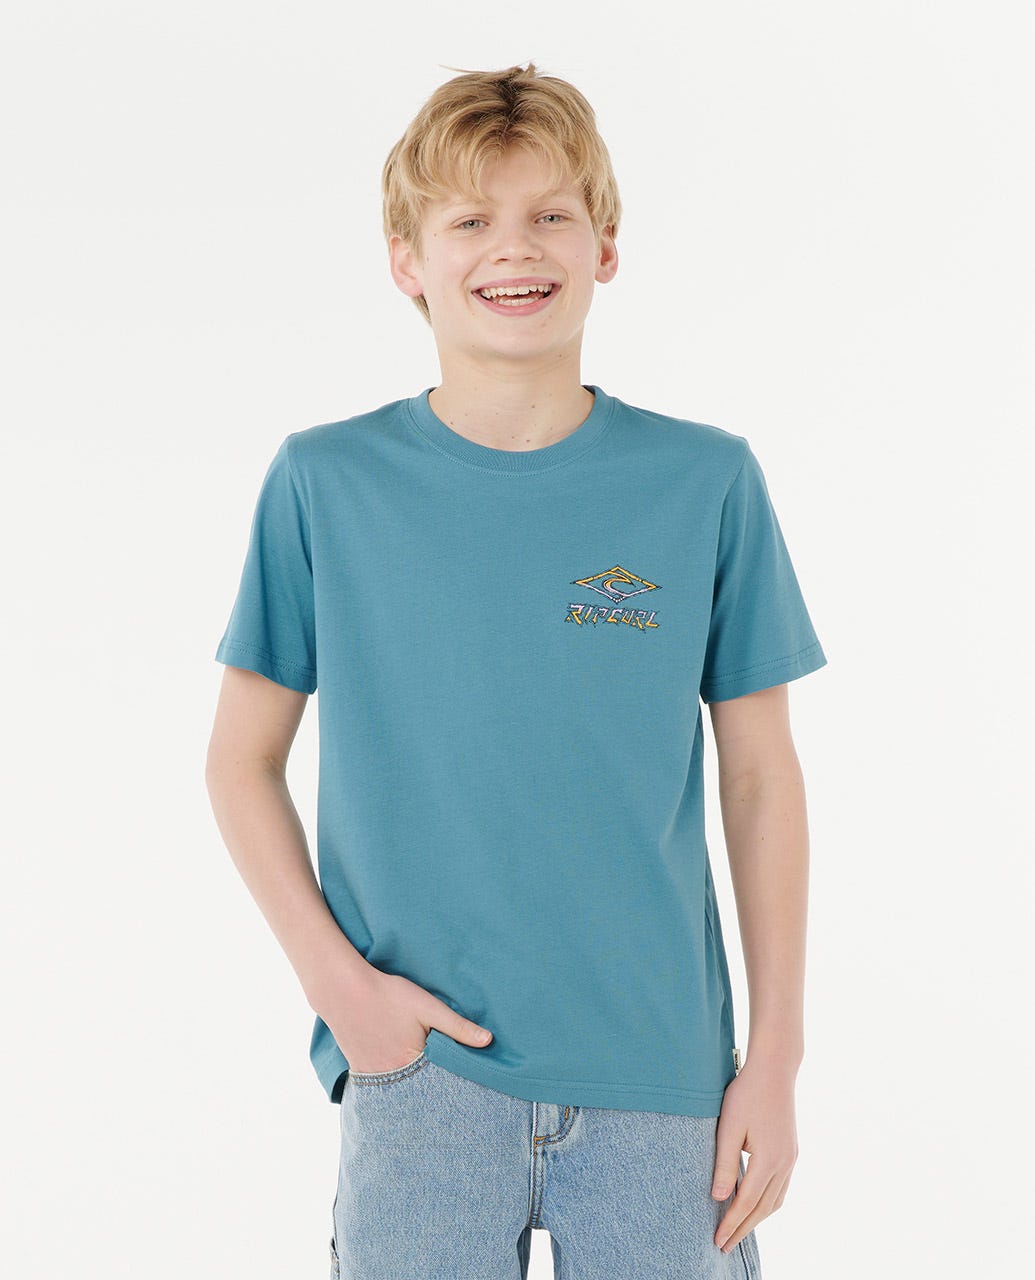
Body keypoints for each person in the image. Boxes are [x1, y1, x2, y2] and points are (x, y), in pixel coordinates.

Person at [206, 60, 827, 1280]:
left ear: (606, 246)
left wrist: (777, 1057)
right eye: (469, 220)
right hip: (419, 1074)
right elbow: (239, 760)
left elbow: (761, 779)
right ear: (406, 260)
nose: (514, 248)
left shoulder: (705, 481)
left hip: (663, 1081)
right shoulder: (324, 483)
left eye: (551, 213)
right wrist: (345, 994)